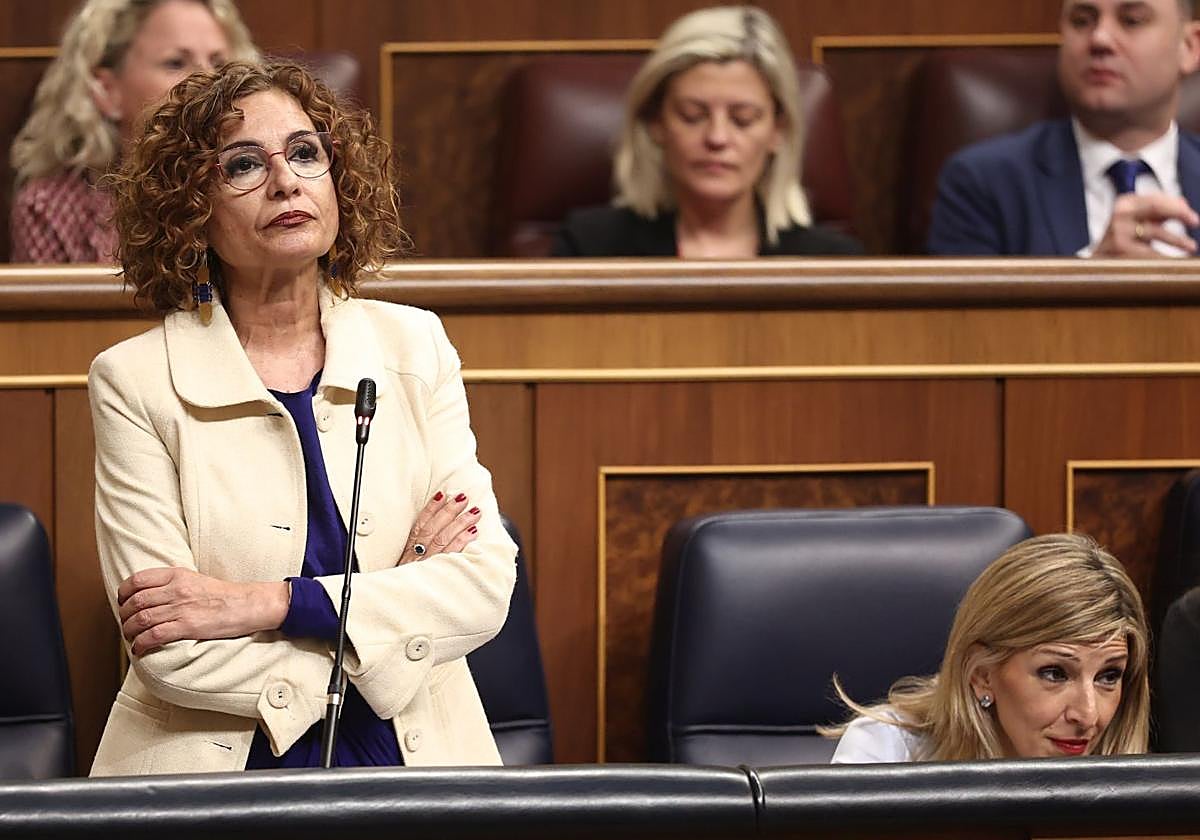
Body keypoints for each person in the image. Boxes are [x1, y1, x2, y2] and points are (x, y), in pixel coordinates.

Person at [87, 60, 516, 776]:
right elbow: (172, 650)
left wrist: (259, 604)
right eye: (244, 165)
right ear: (191, 209)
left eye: (306, 153)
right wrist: (393, 606)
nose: (286, 181)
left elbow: (481, 589)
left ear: (338, 181)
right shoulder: (134, 381)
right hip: (219, 776)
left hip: (414, 762)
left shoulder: (415, 346)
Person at [551, 5, 861, 258]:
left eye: (743, 119)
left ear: (777, 131)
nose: (717, 138)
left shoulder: (830, 261)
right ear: (655, 121)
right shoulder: (589, 248)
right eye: (693, 116)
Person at [829, 533, 1149, 762]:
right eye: (1055, 673)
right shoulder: (885, 752)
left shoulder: (1130, 779)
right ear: (982, 675)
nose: (1088, 715)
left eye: (1108, 676)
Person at [928, 0, 1200, 257]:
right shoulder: (982, 183)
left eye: (1132, 20)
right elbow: (965, 307)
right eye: (1082, 21)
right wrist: (1094, 273)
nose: (1100, 39)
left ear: (1189, 47)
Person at [10, 0, 256, 263]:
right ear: (105, 90)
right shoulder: (50, 208)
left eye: (219, 64)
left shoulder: (269, 183)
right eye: (175, 63)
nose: (210, 82)